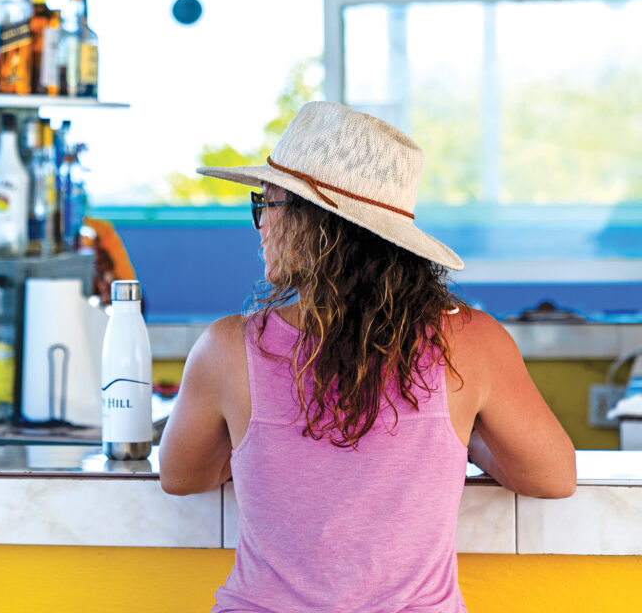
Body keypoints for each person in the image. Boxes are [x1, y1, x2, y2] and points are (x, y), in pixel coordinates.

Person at [159, 101, 576, 612]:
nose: (259, 225)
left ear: (319, 227)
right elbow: (550, 476)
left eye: (266, 204)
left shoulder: (227, 348)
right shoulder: (472, 343)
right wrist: (461, 440)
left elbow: (184, 476)